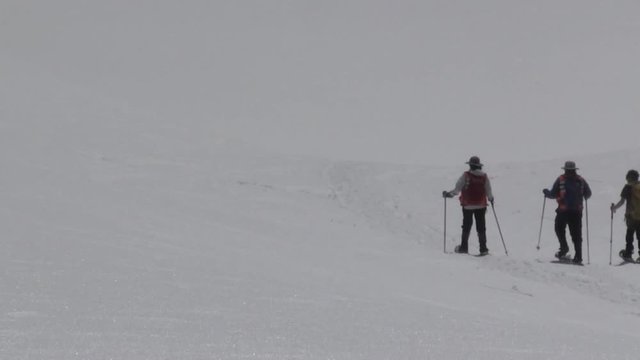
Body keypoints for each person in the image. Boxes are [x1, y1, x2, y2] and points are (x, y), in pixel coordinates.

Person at [442, 156, 494, 255]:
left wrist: (448, 194)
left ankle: (464, 248)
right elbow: (489, 191)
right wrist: (491, 199)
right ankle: (483, 249)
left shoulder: (465, 176)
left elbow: (457, 189)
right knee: (481, 227)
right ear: (479, 166)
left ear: (470, 165)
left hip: (467, 205)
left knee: (466, 226)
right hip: (481, 205)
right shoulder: (484, 176)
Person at [543, 161, 592, 264]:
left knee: (559, 229)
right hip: (577, 212)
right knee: (576, 235)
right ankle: (578, 257)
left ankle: (564, 248)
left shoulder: (561, 180)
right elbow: (588, 193)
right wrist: (584, 196)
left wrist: (546, 193)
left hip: (563, 211)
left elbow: (553, 194)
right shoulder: (581, 180)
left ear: (565, 170)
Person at [610, 169, 640, 261]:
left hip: (631, 216)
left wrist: (614, 208)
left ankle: (628, 253)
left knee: (629, 235)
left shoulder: (627, 187)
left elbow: (622, 201)